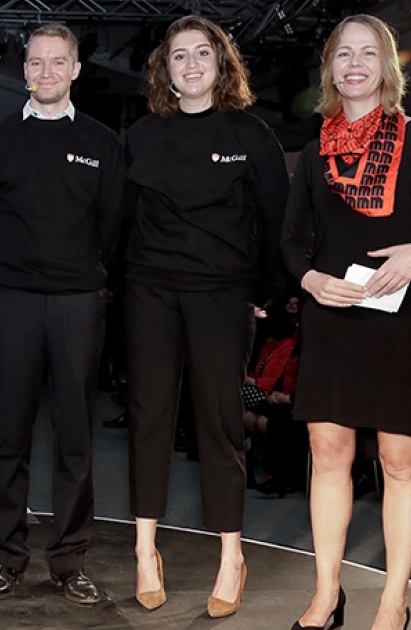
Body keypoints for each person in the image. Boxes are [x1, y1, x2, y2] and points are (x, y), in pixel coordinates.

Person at [282, 14, 411, 630]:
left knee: (399, 460)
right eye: (344, 54)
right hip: (335, 314)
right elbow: (292, 242)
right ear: (330, 70)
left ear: (388, 67)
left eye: (369, 53)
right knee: (328, 448)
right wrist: (311, 280)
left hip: (401, 314)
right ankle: (325, 595)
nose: (356, 63)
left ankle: (394, 600)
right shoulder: (315, 153)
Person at [123, 15, 289, 618]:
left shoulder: (252, 134)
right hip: (150, 294)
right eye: (178, 57)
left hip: (223, 295)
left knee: (220, 424)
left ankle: (231, 557)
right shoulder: (141, 136)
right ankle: (145, 550)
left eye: (202, 55)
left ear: (222, 65)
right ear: (164, 70)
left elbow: (278, 221)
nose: (190, 65)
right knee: (149, 419)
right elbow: (121, 221)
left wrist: (267, 292)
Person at [0, 22, 124, 607]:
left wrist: (83, 279)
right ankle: (6, 559)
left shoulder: (104, 143)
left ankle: (69, 559)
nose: (46, 73)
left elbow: (112, 229)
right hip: (12, 302)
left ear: (77, 69)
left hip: (77, 304)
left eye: (58, 63)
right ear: (24, 69)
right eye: (36, 63)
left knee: (75, 440)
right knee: (8, 436)